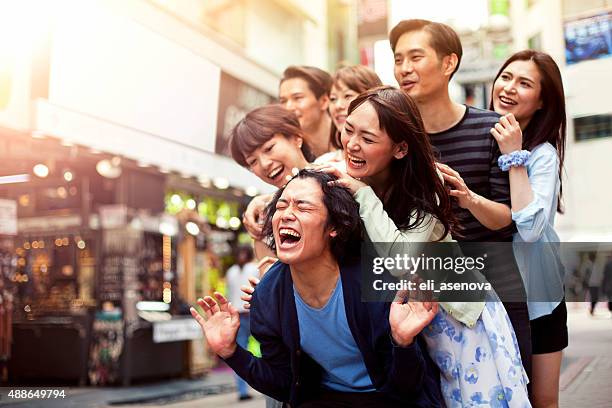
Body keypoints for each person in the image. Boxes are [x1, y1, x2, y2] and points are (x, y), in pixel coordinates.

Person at [318, 86, 530, 407]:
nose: (352, 144)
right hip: (419, 326)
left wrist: (362, 194)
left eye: (368, 138)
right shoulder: (351, 174)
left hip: (465, 321)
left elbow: (402, 262)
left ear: (401, 149)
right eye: (348, 130)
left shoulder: (426, 188)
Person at [191, 170, 443, 407]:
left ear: (334, 227)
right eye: (281, 206)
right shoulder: (268, 294)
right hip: (325, 398)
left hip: (390, 398)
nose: (287, 214)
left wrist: (402, 341)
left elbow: (406, 388)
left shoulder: (374, 278)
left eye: (303, 206)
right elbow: (286, 384)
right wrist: (231, 352)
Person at [390, 19, 533, 380]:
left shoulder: (492, 129)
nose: (404, 68)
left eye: (415, 57)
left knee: (510, 393)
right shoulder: (395, 139)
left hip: (496, 289)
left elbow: (506, 218)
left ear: (449, 62)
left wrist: (468, 198)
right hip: (428, 297)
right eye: (397, 59)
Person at [489, 50, 569, 408]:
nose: (509, 88)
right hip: (494, 298)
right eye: (506, 77)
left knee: (541, 400)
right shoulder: (481, 137)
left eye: (524, 83)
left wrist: (514, 156)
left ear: (541, 102)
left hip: (539, 301)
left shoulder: (542, 155)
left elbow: (533, 228)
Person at [317, 65, 383, 165]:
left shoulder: (386, 160)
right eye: (333, 99)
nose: (338, 106)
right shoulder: (324, 163)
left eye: (347, 96)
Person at [224, 246, 260, 401]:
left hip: (239, 315)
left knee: (239, 352)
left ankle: (243, 391)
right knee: (270, 346)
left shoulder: (230, 271)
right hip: (252, 314)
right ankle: (269, 383)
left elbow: (227, 295)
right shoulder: (254, 268)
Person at [279, 66, 337, 159]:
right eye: (283, 101)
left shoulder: (351, 141)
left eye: (297, 98)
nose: (288, 107)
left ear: (324, 101)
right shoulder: (289, 154)